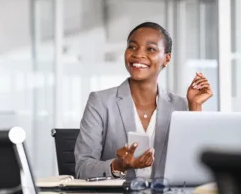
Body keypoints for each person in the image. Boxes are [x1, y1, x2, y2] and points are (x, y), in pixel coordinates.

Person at [74, 22, 213, 180]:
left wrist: (195, 106)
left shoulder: (180, 105)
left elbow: (195, 165)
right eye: (132, 47)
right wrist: (119, 165)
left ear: (166, 58)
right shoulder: (100, 102)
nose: (138, 54)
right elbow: (82, 168)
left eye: (151, 49)